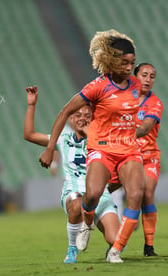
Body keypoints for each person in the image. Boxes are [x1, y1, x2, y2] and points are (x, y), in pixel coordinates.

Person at [39, 29, 145, 263]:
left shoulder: (136, 85)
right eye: (124, 63)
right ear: (111, 61)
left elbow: (148, 108)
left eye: (132, 63)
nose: (129, 68)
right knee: (93, 195)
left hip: (128, 150)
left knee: (136, 194)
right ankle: (86, 225)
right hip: (103, 149)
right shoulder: (97, 86)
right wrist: (49, 149)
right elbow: (65, 111)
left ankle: (115, 250)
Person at [24, 86, 120, 264]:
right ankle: (71, 249)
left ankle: (106, 246)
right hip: (74, 192)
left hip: (100, 195)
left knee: (117, 241)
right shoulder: (62, 138)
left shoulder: (103, 139)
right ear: (69, 119)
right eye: (78, 115)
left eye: (87, 116)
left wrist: (89, 134)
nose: (82, 118)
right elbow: (29, 135)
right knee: (77, 205)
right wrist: (32, 105)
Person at [134, 63, 163, 256]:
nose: (148, 79)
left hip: (148, 157)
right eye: (144, 75)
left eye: (152, 76)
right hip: (123, 155)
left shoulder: (156, 103)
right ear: (134, 76)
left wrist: (118, 134)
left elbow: (144, 128)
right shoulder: (123, 98)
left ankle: (149, 246)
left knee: (147, 194)